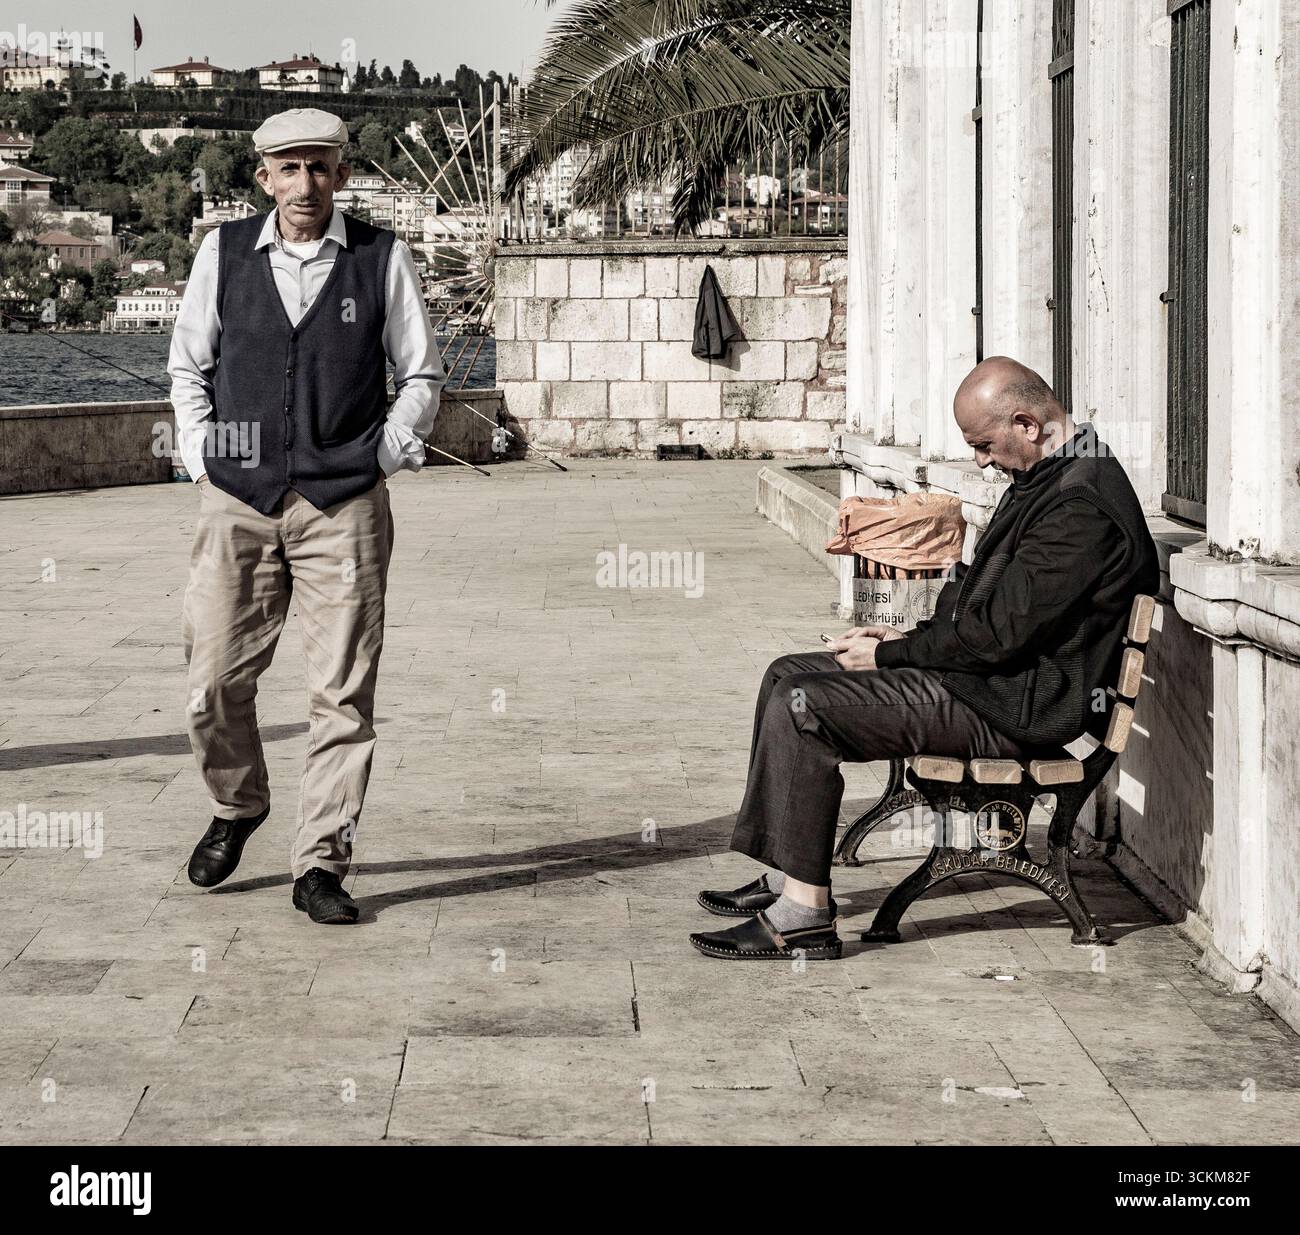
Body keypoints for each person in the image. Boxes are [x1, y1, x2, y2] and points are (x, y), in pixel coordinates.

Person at [691, 356, 1159, 960]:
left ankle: (804, 914)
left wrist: (891, 655)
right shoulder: (1052, 473)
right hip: (992, 683)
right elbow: (980, 602)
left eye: (985, 446)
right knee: (787, 672)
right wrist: (894, 641)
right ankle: (789, 871)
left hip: (1019, 709)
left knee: (802, 704)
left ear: (1027, 423)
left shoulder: (1079, 506)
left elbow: (997, 637)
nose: (983, 461)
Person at [168, 108, 446, 923]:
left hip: (344, 506)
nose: (305, 184)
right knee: (211, 681)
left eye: (319, 167)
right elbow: (189, 365)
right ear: (263, 178)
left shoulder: (380, 257)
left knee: (341, 695)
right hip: (238, 501)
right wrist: (201, 457)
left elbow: (420, 374)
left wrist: (383, 455)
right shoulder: (221, 253)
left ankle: (320, 863)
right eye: (288, 169)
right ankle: (237, 802)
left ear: (341, 174)